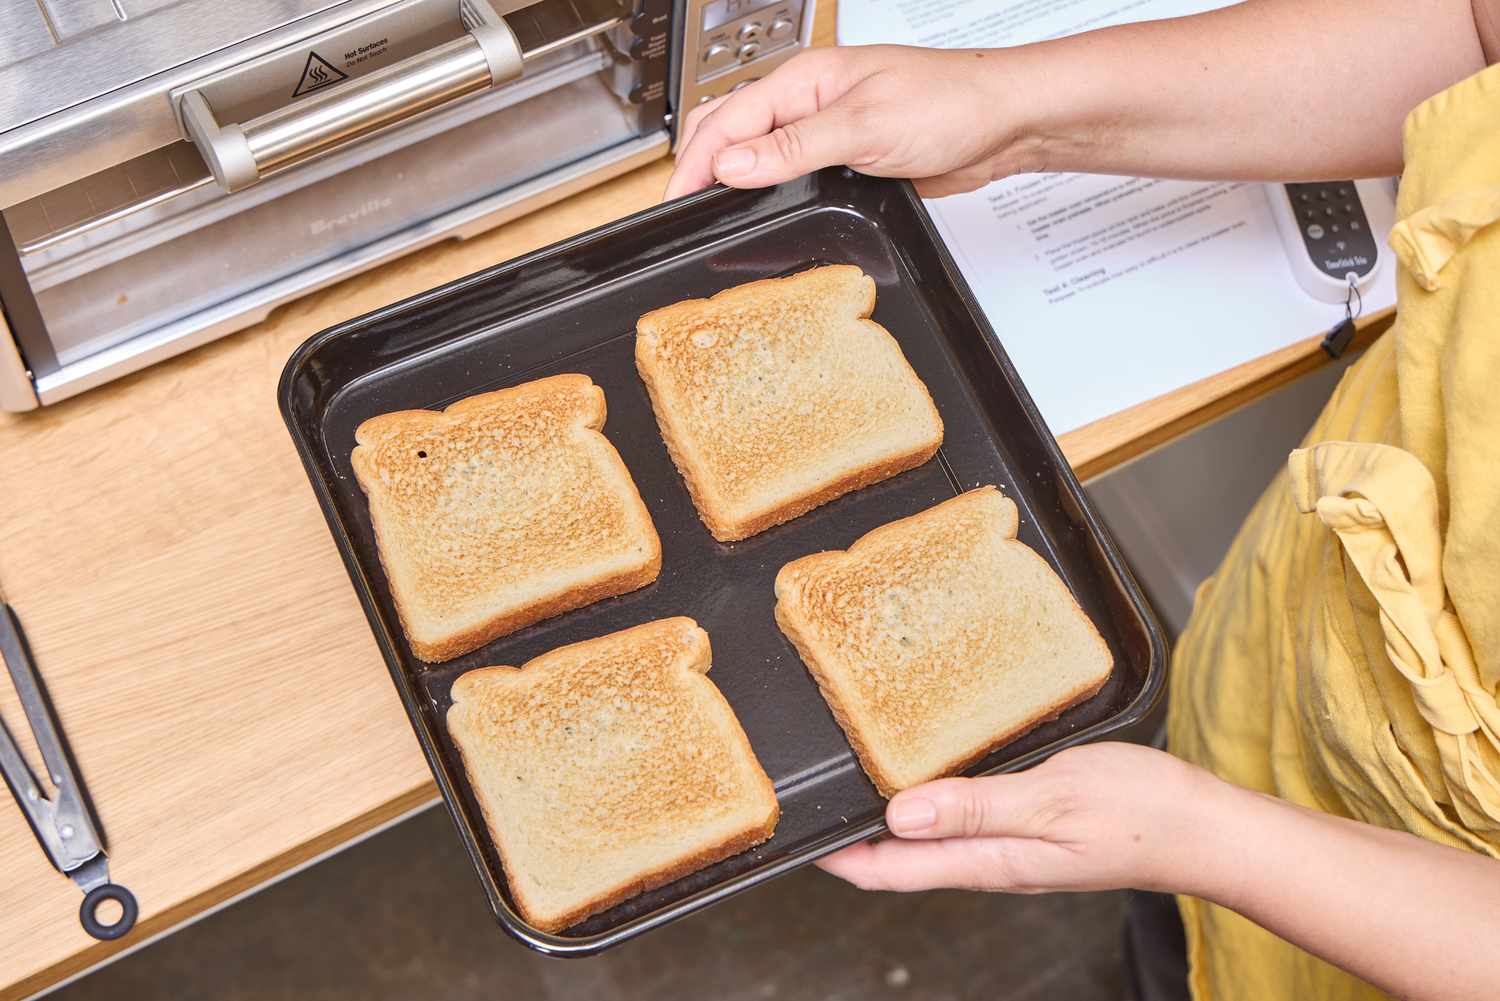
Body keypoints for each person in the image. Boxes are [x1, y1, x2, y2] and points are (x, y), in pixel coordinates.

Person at [666, 2, 1500, 999]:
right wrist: (1007, 107)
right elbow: (1473, 33)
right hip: (1288, 653)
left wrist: (1209, 841)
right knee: (1165, 943)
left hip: (1390, 929)